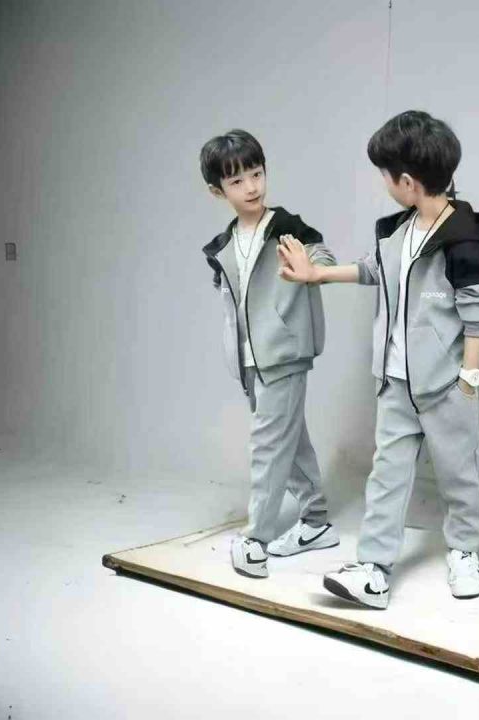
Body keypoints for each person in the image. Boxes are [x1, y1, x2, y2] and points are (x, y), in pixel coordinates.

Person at [277, 111, 479, 608]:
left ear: (408, 182)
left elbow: (478, 310)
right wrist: (316, 275)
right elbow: (375, 269)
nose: (384, 184)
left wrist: (468, 379)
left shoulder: (462, 237)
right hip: (396, 381)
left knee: (460, 473)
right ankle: (373, 570)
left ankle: (464, 551)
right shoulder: (401, 229)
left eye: (385, 175)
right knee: (387, 474)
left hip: (446, 384)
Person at [200, 129, 339, 579]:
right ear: (218, 191)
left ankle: (255, 538)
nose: (252, 187)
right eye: (237, 181)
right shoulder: (223, 245)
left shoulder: (286, 226)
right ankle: (316, 521)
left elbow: (320, 255)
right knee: (290, 440)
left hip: (284, 353)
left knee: (268, 444)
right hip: (249, 360)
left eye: (257, 174)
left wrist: (312, 268)